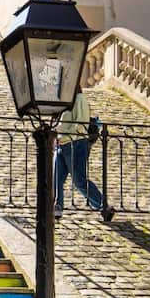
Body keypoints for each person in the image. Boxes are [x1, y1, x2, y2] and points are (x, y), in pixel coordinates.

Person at [54, 86, 115, 222]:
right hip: (61, 145)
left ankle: (103, 207)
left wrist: (61, 137)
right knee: (56, 177)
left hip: (75, 144)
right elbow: (63, 124)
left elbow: (80, 125)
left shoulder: (80, 99)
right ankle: (56, 207)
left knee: (79, 180)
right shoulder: (66, 102)